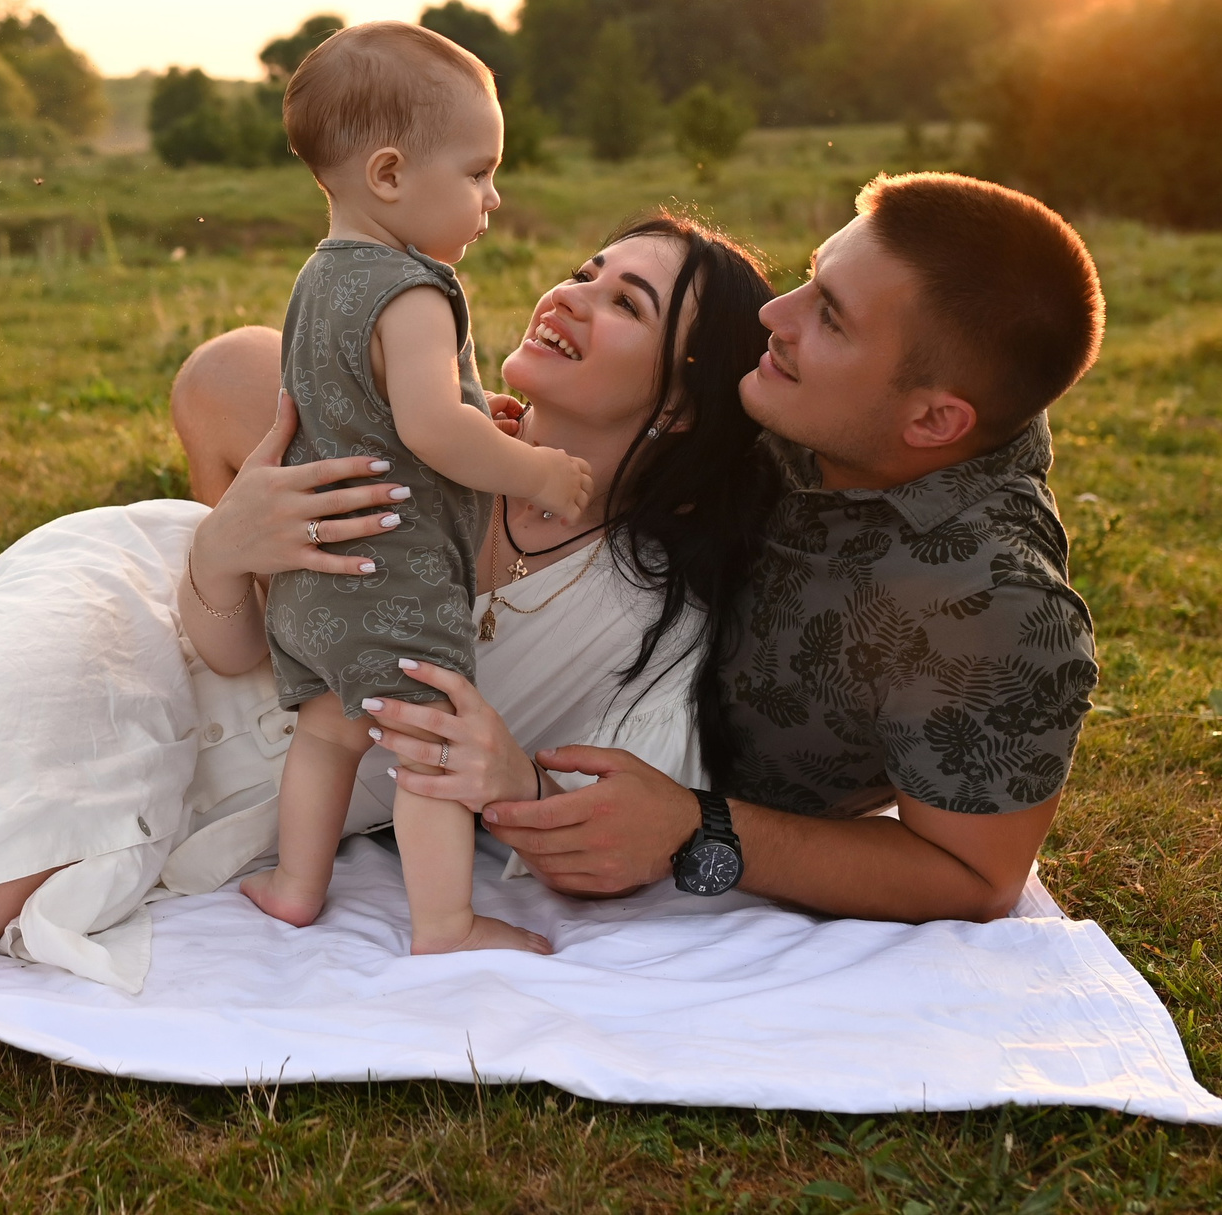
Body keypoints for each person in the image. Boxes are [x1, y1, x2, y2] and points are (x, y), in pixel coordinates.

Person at [0, 215, 778, 975]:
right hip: (156, 605)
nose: (567, 292)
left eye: (626, 302)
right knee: (46, 685)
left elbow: (604, 829)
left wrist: (503, 771)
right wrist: (230, 535)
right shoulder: (408, 431)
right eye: (582, 267)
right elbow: (216, 584)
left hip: (237, 764)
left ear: (677, 399)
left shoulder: (643, 609)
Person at [342, 173, 1107, 923]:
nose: (779, 312)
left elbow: (977, 877)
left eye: (831, 318)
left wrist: (700, 827)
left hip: (617, 746)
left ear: (936, 424)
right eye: (812, 275)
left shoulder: (994, 606)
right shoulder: (813, 384)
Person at [229, 23, 588, 953]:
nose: (493, 197)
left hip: (316, 586)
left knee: (326, 732)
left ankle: (296, 884)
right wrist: (536, 469)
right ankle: (444, 922)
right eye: (477, 173)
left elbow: (379, 408)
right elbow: (431, 428)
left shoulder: (319, 278)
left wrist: (476, 409)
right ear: (389, 176)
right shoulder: (415, 290)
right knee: (427, 746)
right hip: (394, 577)